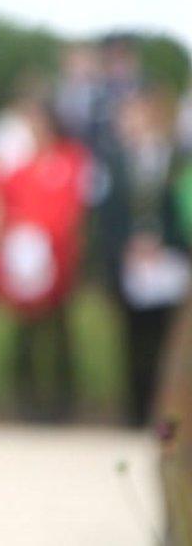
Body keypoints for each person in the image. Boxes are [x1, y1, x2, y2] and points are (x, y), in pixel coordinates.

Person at [0, 99, 91, 421]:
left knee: (59, 332)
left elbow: (72, 208)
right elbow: (6, 204)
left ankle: (63, 400)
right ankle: (26, 399)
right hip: (25, 263)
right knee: (25, 334)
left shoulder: (71, 159)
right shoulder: (20, 168)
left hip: (58, 260)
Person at [97, 88, 189, 426]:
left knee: (169, 341)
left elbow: (182, 210)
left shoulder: (178, 160)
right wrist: (127, 245)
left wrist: (164, 242)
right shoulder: (115, 162)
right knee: (133, 339)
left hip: (170, 262)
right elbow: (107, 215)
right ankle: (135, 411)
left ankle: (167, 415)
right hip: (131, 262)